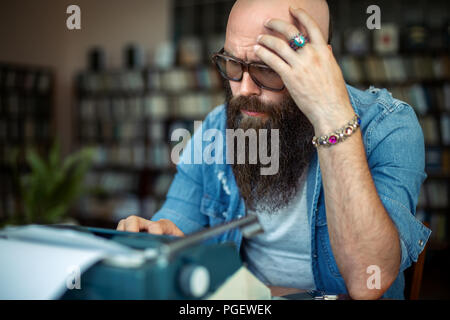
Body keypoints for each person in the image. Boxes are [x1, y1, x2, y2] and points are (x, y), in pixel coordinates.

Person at [117, 0, 431, 299]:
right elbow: (176, 222)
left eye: (267, 69)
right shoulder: (216, 128)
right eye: (232, 64)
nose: (244, 90)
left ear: (319, 64)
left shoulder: (387, 127)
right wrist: (162, 236)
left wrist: (332, 117)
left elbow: (367, 281)